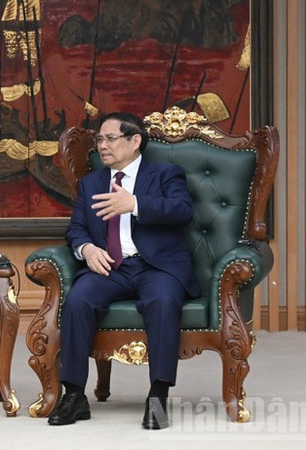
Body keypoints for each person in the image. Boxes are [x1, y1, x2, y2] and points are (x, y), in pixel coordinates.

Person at [47, 112, 200, 430]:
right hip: (110, 267)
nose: (102, 146)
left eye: (110, 139)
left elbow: (182, 211)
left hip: (155, 266)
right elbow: (76, 229)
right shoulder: (91, 183)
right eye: (99, 140)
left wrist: (135, 205)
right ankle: (74, 395)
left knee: (162, 301)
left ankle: (158, 395)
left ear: (134, 141)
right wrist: (87, 249)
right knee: (78, 300)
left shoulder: (164, 174)